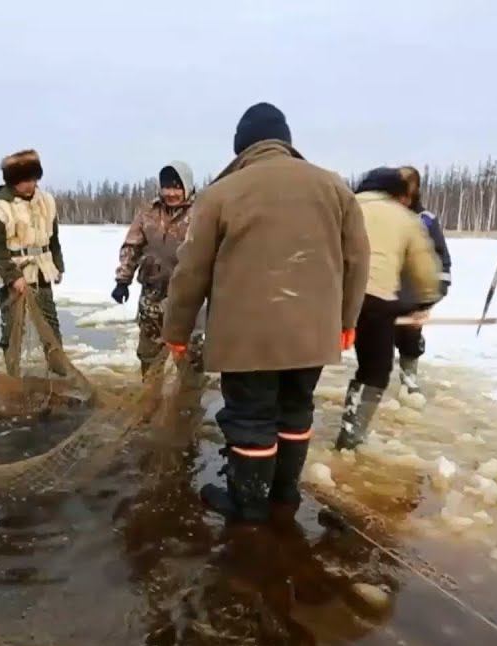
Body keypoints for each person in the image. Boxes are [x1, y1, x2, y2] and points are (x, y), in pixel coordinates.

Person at [161, 102, 370, 523]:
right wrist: (347, 323)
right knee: (296, 409)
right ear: (286, 142)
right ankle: (284, 496)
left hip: (247, 337)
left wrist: (177, 329)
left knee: (251, 417)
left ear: (242, 147)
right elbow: (358, 260)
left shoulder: (222, 193)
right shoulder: (335, 188)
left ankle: (248, 504)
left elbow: (191, 270)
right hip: (313, 333)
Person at [335, 168, 442, 451]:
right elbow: (424, 268)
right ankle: (350, 435)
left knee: (304, 364)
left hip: (329, 295)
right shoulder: (404, 217)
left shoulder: (343, 206)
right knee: (374, 370)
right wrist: (425, 301)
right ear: (397, 194)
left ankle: (286, 428)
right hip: (375, 300)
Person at [113, 161, 204, 377]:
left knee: (192, 357)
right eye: (167, 187)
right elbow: (132, 246)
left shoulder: (202, 213)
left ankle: (189, 404)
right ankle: (151, 400)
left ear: (187, 186)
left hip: (188, 298)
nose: (171, 193)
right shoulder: (148, 213)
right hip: (153, 295)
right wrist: (122, 281)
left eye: (177, 187)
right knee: (149, 354)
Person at [0, 149, 66, 374]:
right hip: (14, 273)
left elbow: (54, 238)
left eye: (33, 179)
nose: (30, 185)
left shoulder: (46, 201)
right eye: (23, 181)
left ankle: (60, 372)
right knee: (13, 329)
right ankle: (12, 374)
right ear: (12, 182)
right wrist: (13, 277)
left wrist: (58, 266)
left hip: (42, 270)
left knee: (50, 325)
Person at [393, 165, 452, 394]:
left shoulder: (425, 221)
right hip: (380, 291)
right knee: (374, 341)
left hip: (411, 296)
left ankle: (409, 379)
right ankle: (369, 384)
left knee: (410, 339)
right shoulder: (380, 216)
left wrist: (428, 302)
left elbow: (441, 263)